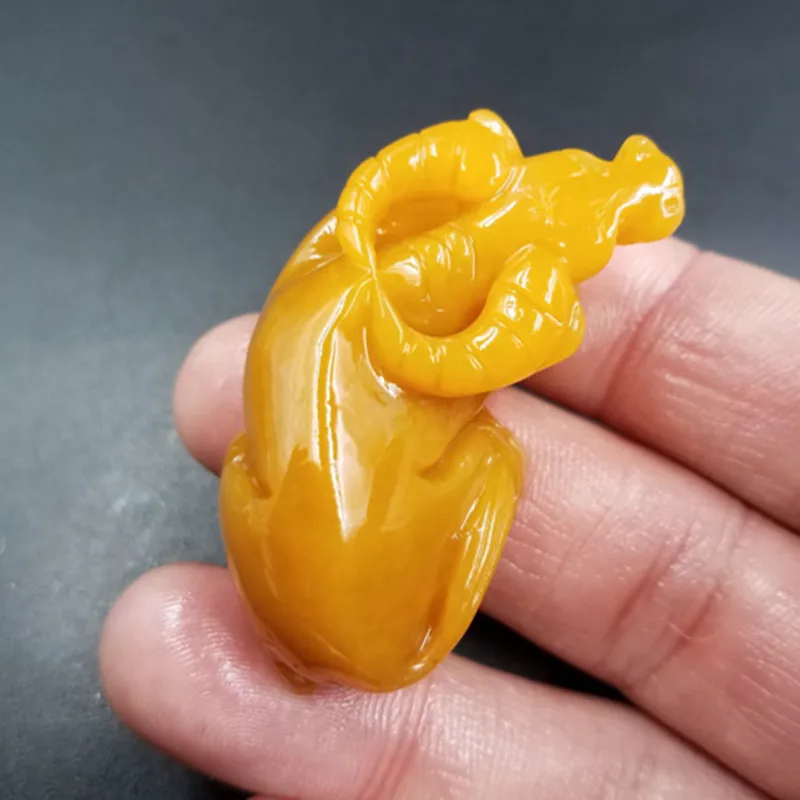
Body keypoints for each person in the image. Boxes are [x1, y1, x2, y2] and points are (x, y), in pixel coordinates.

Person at [99, 239, 800, 799]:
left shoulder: (348, 290)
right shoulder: (383, 304)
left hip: (337, 575)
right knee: (482, 451)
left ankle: (313, 648)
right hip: (348, 578)